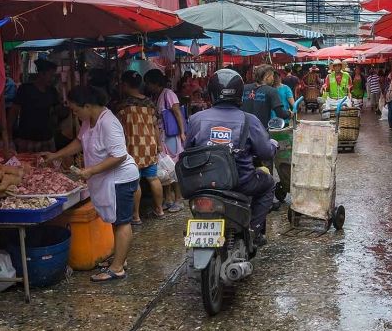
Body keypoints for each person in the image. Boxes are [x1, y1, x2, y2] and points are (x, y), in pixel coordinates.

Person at [45, 86, 140, 282]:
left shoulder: (108, 122)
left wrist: (91, 171)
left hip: (120, 178)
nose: (74, 113)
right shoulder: (88, 121)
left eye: (76, 109)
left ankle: (117, 268)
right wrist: (56, 155)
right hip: (108, 178)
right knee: (116, 220)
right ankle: (119, 259)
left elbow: (119, 155)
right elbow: (80, 142)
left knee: (122, 222)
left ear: (87, 105)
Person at [184, 69, 278, 245]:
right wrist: (273, 145)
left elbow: (187, 149)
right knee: (269, 184)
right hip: (241, 183)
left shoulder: (196, 119)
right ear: (240, 94)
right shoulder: (250, 120)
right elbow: (265, 153)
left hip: (202, 183)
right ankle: (253, 230)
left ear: (211, 93)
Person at [114, 71, 165, 225]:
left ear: (124, 85)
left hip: (132, 148)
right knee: (153, 178)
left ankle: (136, 216)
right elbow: (156, 126)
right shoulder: (150, 103)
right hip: (149, 145)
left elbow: (118, 128)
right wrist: (159, 145)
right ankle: (160, 210)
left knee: (134, 182)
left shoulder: (123, 106)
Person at [143, 69, 185, 213]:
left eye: (148, 83)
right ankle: (168, 198)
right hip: (161, 136)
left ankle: (178, 199)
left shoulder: (168, 94)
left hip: (171, 136)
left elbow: (177, 112)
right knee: (164, 168)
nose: (147, 86)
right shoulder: (156, 96)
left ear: (155, 83)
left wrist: (182, 132)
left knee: (173, 167)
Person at [8, 58, 62, 153]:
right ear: (41, 74)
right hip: (27, 138)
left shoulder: (52, 91)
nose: (53, 78)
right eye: (51, 75)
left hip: (47, 138)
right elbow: (14, 111)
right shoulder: (25, 89)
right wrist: (9, 135)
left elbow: (57, 111)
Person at [242, 64, 290, 128]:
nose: (273, 79)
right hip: (261, 132)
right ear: (266, 77)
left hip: (244, 131)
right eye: (272, 76)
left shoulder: (244, 88)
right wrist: (289, 113)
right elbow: (281, 114)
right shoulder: (271, 91)